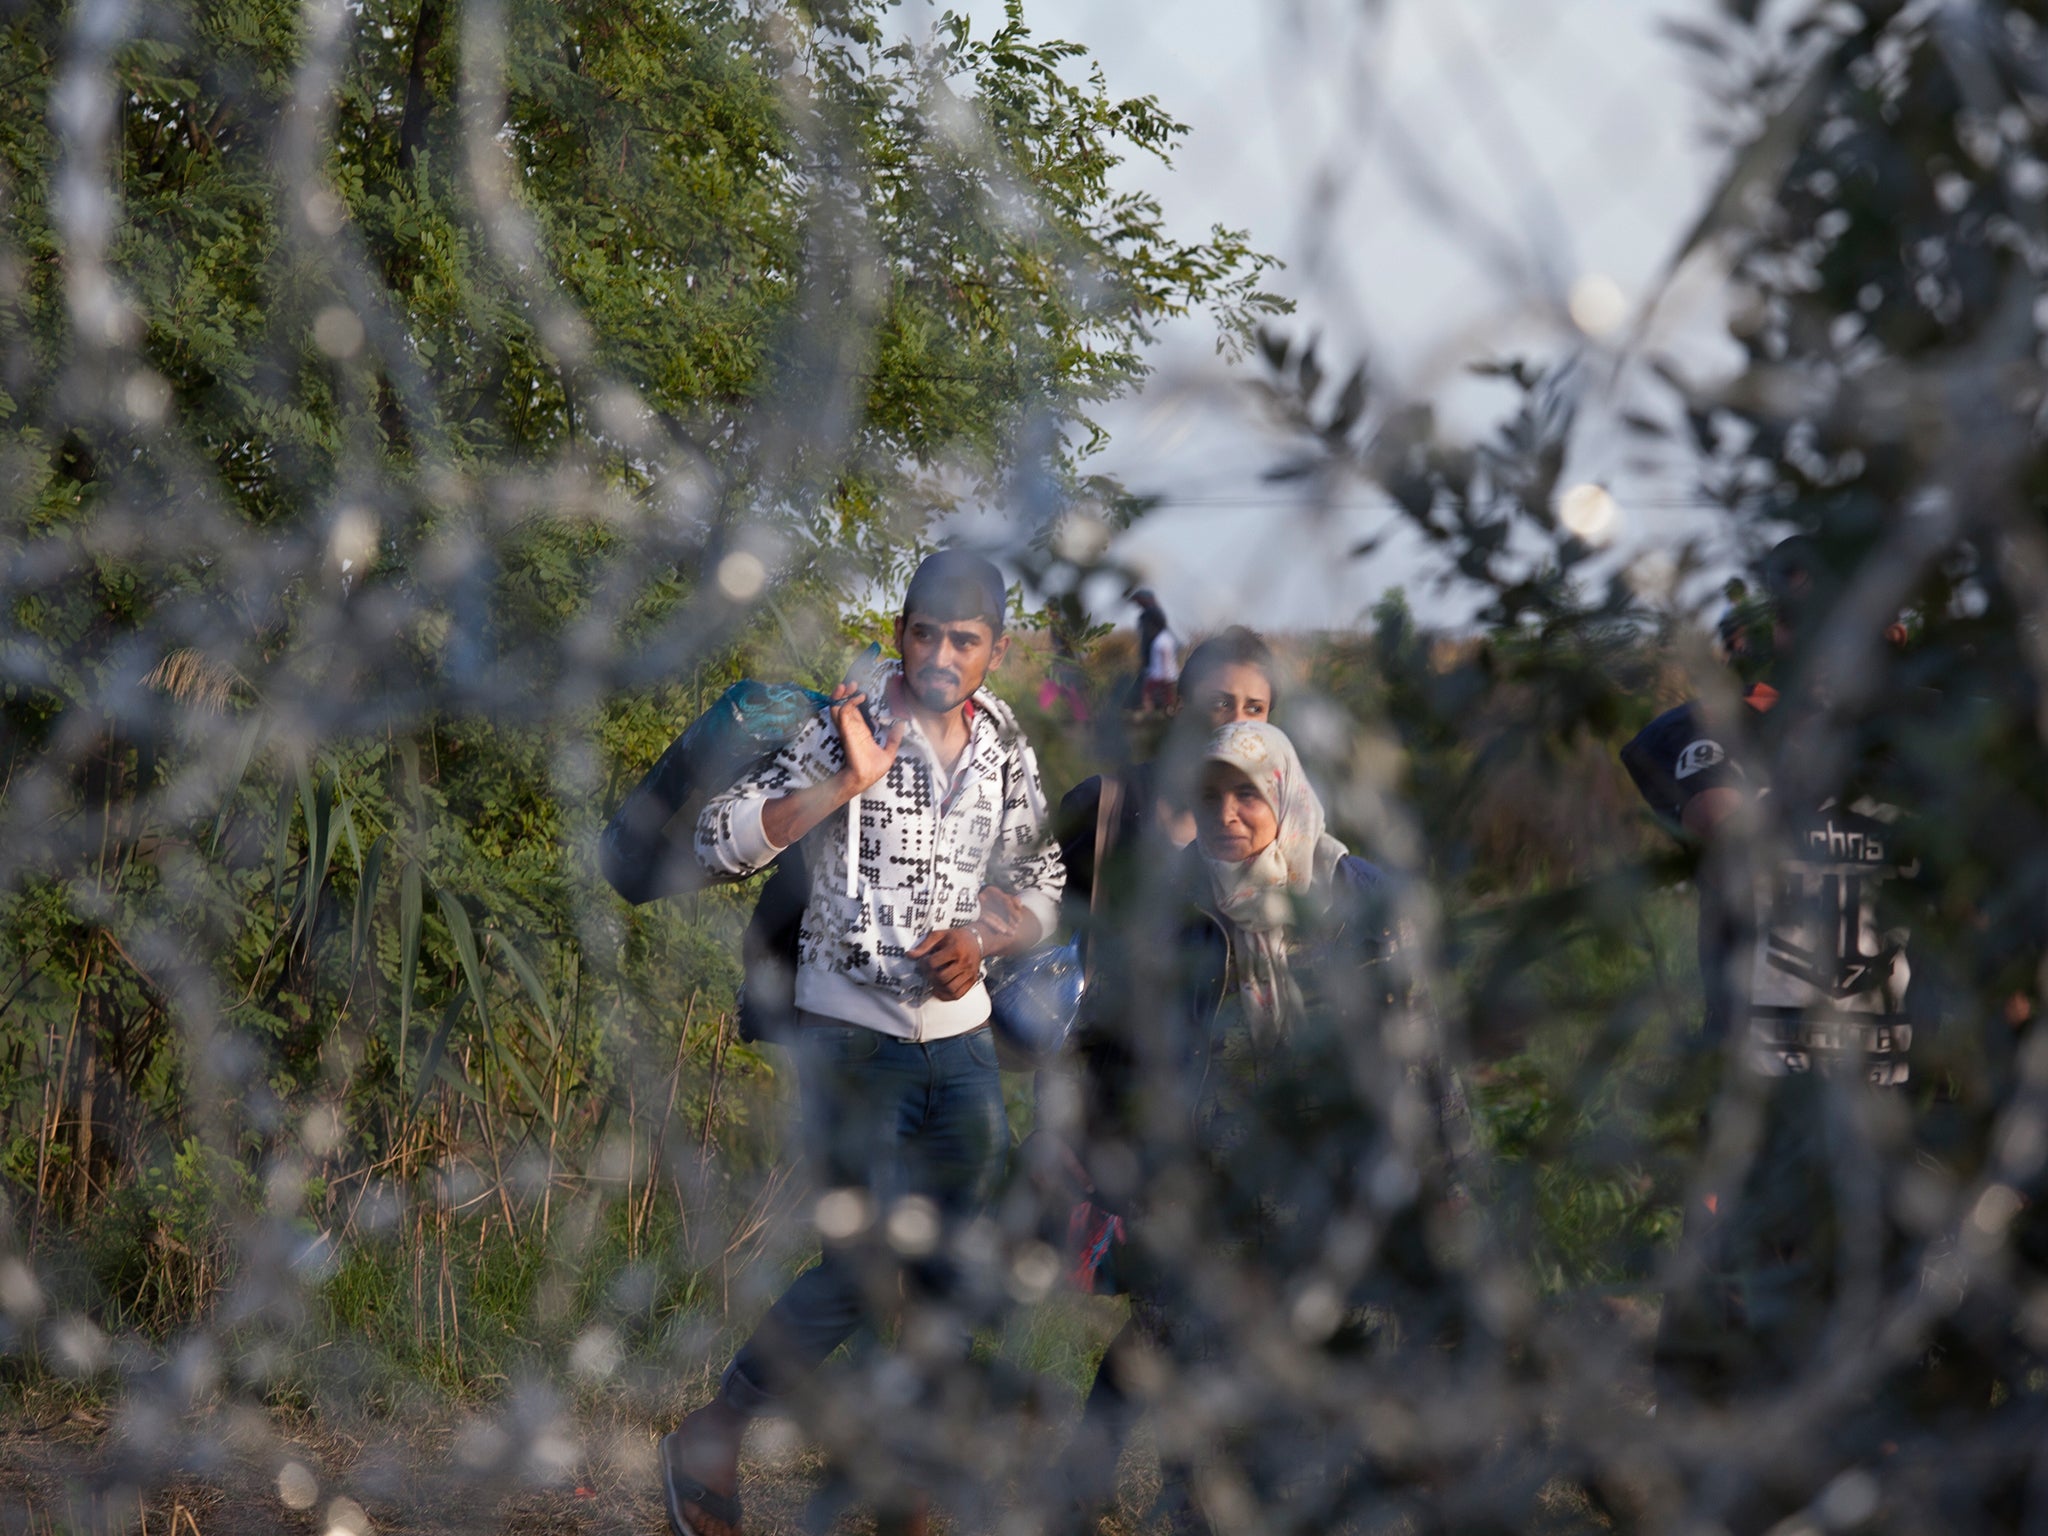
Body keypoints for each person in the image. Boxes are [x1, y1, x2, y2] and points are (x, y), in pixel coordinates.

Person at [661, 550, 1065, 1536]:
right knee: (862, 1260)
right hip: (852, 1046)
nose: (938, 654)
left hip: (962, 1055)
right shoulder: (841, 725)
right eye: (922, 632)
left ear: (995, 653)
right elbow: (714, 840)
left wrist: (986, 938)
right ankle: (714, 1433)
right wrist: (842, 782)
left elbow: (1045, 882)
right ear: (899, 633)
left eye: (962, 640)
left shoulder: (1005, 745)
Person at [1058, 721, 1467, 1534]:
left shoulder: (1357, 897)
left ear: (1283, 793)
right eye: (1209, 794)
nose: (1228, 813)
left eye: (1247, 792)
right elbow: (1098, 1047)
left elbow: (1423, 1045)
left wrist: (1446, 1175)